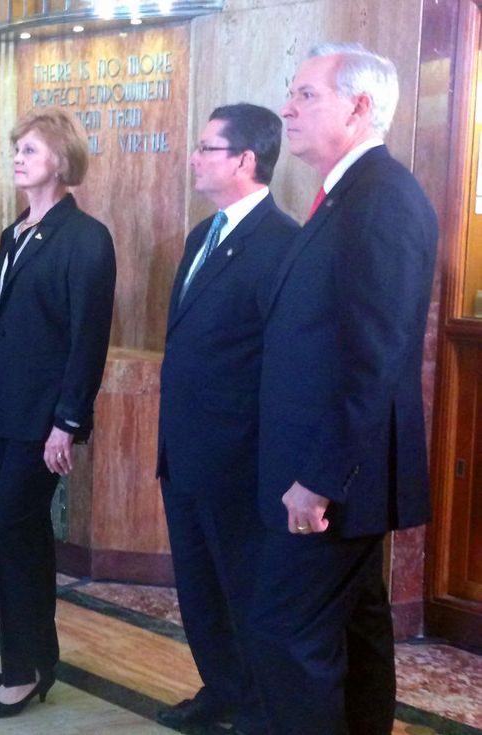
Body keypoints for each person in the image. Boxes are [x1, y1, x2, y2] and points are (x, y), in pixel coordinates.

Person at [248, 43, 437, 735]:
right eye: (291, 93)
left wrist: (320, 477)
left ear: (360, 106)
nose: (287, 109)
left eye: (306, 95)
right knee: (356, 634)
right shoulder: (347, 195)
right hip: (327, 469)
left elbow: (374, 356)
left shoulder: (382, 199)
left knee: (285, 638)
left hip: (330, 480)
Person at [155, 104, 298, 732]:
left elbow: (281, 364)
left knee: (243, 592)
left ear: (245, 160)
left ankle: (260, 707)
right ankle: (222, 688)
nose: (194, 156)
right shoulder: (201, 234)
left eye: (207, 147)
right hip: (185, 452)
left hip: (237, 458)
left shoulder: (282, 243)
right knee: (198, 589)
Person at [0, 107, 116, 719]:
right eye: (16, 149)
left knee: (12, 534)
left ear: (59, 160)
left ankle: (23, 667)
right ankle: (31, 656)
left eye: (28, 150)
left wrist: (68, 420)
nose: (17, 159)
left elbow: (89, 338)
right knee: (22, 537)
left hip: (43, 419)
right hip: (7, 411)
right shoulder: (16, 233)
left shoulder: (85, 238)